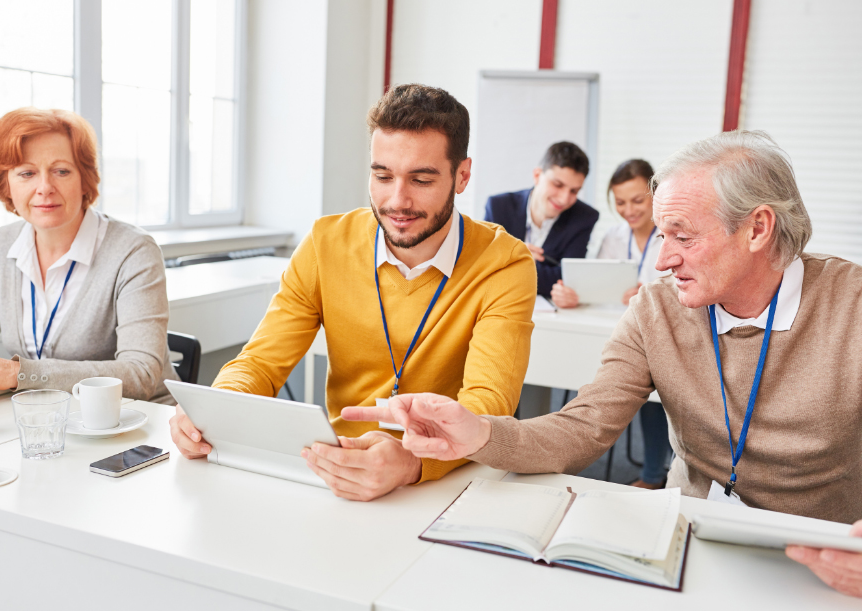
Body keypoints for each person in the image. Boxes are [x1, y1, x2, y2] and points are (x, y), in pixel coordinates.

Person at [345, 130, 862, 597]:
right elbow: (584, 428)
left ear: (757, 229)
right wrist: (479, 433)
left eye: (682, 236)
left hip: (825, 562)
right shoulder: (657, 310)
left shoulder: (852, 307)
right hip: (688, 543)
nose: (662, 260)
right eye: (661, 236)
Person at [168, 84, 537, 501]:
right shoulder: (327, 242)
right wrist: (213, 410)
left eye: (421, 179)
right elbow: (260, 363)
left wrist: (411, 461)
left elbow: (487, 405)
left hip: (452, 482)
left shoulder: (505, 262)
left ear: (462, 175)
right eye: (383, 175)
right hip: (337, 472)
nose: (398, 200)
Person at [0, 108, 177, 404]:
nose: (45, 188)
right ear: (6, 183)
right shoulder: (0, 247)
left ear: (84, 179)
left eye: (61, 171)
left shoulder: (133, 251)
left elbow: (140, 375)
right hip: (50, 424)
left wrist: (18, 373)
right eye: (27, 173)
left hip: (142, 426)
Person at [551, 159, 672, 489]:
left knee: (652, 386)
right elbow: (596, 288)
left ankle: (653, 475)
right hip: (611, 331)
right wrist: (574, 296)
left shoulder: (673, 234)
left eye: (637, 200)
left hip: (657, 335)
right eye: (620, 202)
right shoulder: (614, 236)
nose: (628, 210)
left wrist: (650, 294)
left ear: (655, 195)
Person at [484, 142, 599, 297]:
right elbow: (483, 267)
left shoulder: (584, 218)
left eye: (574, 191)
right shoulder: (499, 207)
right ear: (537, 176)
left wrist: (511, 262)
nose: (564, 199)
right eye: (558, 185)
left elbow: (567, 279)